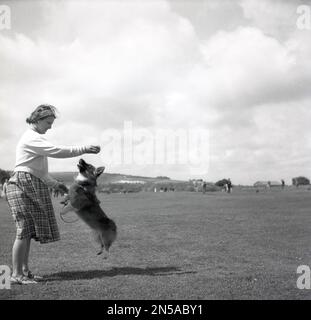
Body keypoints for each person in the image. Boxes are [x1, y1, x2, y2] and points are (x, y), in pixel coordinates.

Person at [6, 104, 100, 285]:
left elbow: (39, 172)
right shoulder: (31, 137)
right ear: (38, 120)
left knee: (27, 231)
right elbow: (57, 151)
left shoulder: (35, 140)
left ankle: (24, 272)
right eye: (48, 122)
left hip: (29, 182)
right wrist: (84, 148)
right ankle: (16, 275)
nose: (50, 126)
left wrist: (56, 184)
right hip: (22, 184)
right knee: (23, 230)